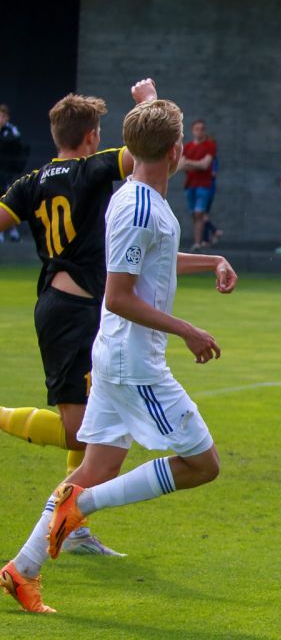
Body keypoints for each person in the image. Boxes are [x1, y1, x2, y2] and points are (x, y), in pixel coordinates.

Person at [1, 96, 237, 614]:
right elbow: (119, 295)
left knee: (96, 466)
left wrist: (213, 259)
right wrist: (187, 330)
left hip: (112, 356)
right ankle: (78, 508)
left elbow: (157, 260)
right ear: (178, 151)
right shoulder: (142, 206)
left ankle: (21, 570)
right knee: (202, 464)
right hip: (135, 364)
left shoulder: (133, 195)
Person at [0, 81, 157, 560]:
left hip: (75, 309)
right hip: (70, 312)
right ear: (91, 135)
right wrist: (148, 105)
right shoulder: (92, 168)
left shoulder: (29, 183)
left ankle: (74, 526)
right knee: (80, 431)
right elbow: (148, 152)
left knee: (97, 420)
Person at [177, 119, 216, 250]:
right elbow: (181, 165)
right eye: (197, 129)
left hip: (204, 185)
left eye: (202, 128)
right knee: (194, 214)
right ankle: (201, 240)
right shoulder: (187, 147)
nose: (200, 131)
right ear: (193, 131)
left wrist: (190, 163)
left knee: (200, 213)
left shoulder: (210, 145)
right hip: (190, 184)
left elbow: (205, 165)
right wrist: (196, 164)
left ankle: (199, 242)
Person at [0, 104, 25, 242]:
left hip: (7, 173)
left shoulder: (12, 131)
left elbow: (16, 146)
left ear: (7, 117)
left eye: (3, 116)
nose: (1, 119)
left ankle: (13, 231)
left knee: (8, 200)